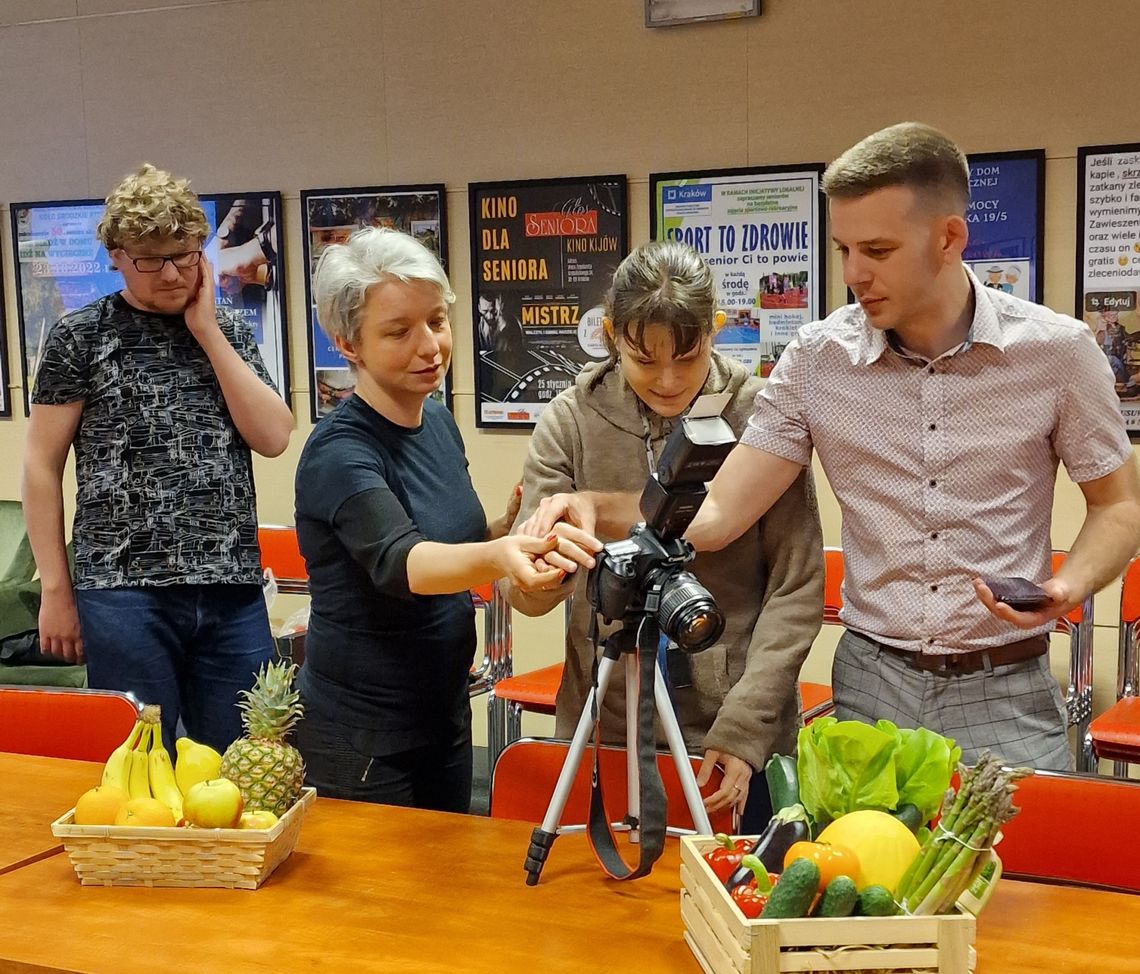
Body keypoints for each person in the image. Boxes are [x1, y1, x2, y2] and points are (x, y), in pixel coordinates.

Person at [684, 122, 1140, 771]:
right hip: (872, 684)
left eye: (877, 249)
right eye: (844, 248)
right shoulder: (816, 360)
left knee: (1017, 874)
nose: (853, 274)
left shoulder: (1059, 353)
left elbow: (1118, 506)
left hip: (1004, 688)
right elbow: (720, 515)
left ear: (950, 237)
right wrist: (602, 511)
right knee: (858, 871)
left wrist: (1067, 586)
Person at [511, 240, 825, 828]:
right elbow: (529, 596)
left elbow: (796, 585)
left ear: (717, 328)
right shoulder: (570, 420)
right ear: (610, 332)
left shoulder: (762, 415)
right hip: (603, 723)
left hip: (729, 739)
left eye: (689, 354)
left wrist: (746, 728)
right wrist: (539, 572)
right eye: (645, 358)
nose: (668, 378)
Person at [292, 228, 571, 813]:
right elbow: (403, 562)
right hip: (364, 735)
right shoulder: (339, 451)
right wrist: (498, 557)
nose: (431, 347)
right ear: (348, 344)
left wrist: (509, 531)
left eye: (437, 322)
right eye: (399, 332)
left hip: (441, 712)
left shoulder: (438, 421)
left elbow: (452, 542)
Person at [23, 164, 294, 753]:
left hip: (230, 585)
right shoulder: (80, 337)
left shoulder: (228, 332)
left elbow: (274, 437)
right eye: (152, 259)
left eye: (186, 255)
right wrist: (55, 591)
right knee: (141, 770)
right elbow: (42, 468)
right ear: (117, 256)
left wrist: (208, 333)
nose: (172, 273)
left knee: (247, 762)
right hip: (122, 590)